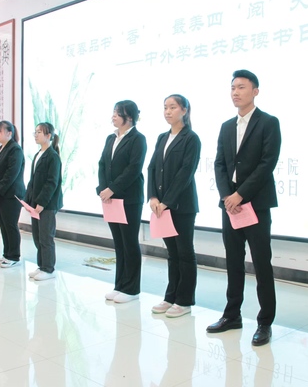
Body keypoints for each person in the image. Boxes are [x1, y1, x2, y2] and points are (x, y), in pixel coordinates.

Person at [207, 69, 281, 347]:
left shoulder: (268, 122)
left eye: (241, 87)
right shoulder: (227, 126)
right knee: (233, 261)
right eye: (233, 88)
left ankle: (265, 322)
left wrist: (241, 194)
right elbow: (219, 164)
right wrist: (228, 196)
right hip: (230, 206)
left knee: (261, 264)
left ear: (255, 91)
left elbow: (267, 163)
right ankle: (232, 315)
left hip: (255, 204)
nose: (235, 92)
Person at [147, 94, 201, 318]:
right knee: (172, 253)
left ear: (184, 111)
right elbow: (152, 168)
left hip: (182, 205)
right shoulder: (162, 137)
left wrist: (167, 201)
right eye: (165, 107)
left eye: (173, 107)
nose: (168, 111)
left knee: (184, 252)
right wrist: (152, 197)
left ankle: (184, 300)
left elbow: (185, 173)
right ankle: (171, 296)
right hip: (160, 206)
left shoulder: (191, 138)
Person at [97, 100, 147, 303]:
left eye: (117, 113)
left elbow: (133, 169)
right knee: (118, 243)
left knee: (129, 242)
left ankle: (131, 289)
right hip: (110, 198)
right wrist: (103, 189)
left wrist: (113, 189)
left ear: (129, 117)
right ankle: (120, 285)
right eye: (114, 112)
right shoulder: (111, 138)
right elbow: (102, 164)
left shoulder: (138, 139)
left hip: (129, 199)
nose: (113, 116)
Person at [25, 122, 63, 281]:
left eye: (39, 132)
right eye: (35, 132)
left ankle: (48, 269)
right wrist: (28, 200)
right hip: (36, 203)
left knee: (46, 237)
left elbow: (51, 182)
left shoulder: (53, 156)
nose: (36, 135)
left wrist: (41, 202)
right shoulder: (38, 154)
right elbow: (33, 180)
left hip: (46, 204)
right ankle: (41, 266)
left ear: (48, 136)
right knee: (37, 236)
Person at [0, 120, 26, 268]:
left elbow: (11, 173)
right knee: (3, 225)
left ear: (9, 133)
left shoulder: (15, 149)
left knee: (10, 225)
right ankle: (6, 254)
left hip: (11, 194)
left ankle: (14, 256)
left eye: (0, 131)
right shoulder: (0, 149)